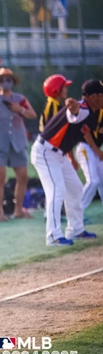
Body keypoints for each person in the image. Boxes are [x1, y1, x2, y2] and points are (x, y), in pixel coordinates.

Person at [30, 79, 103, 246]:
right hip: (45, 152)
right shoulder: (83, 108)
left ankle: (75, 229)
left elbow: (81, 130)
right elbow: (75, 114)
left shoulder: (91, 112)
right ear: (93, 96)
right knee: (57, 190)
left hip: (59, 154)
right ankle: (53, 236)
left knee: (76, 188)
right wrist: (73, 108)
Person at [0, 57, 37, 221]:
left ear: (13, 82)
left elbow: (32, 114)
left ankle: (18, 210)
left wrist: (20, 109)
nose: (5, 82)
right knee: (0, 177)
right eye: (2, 80)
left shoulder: (20, 98)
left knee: (23, 177)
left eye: (8, 79)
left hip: (18, 142)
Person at [76, 108, 103, 211]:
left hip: (96, 150)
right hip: (86, 147)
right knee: (93, 181)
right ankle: (76, 212)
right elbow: (85, 132)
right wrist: (97, 151)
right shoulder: (94, 110)